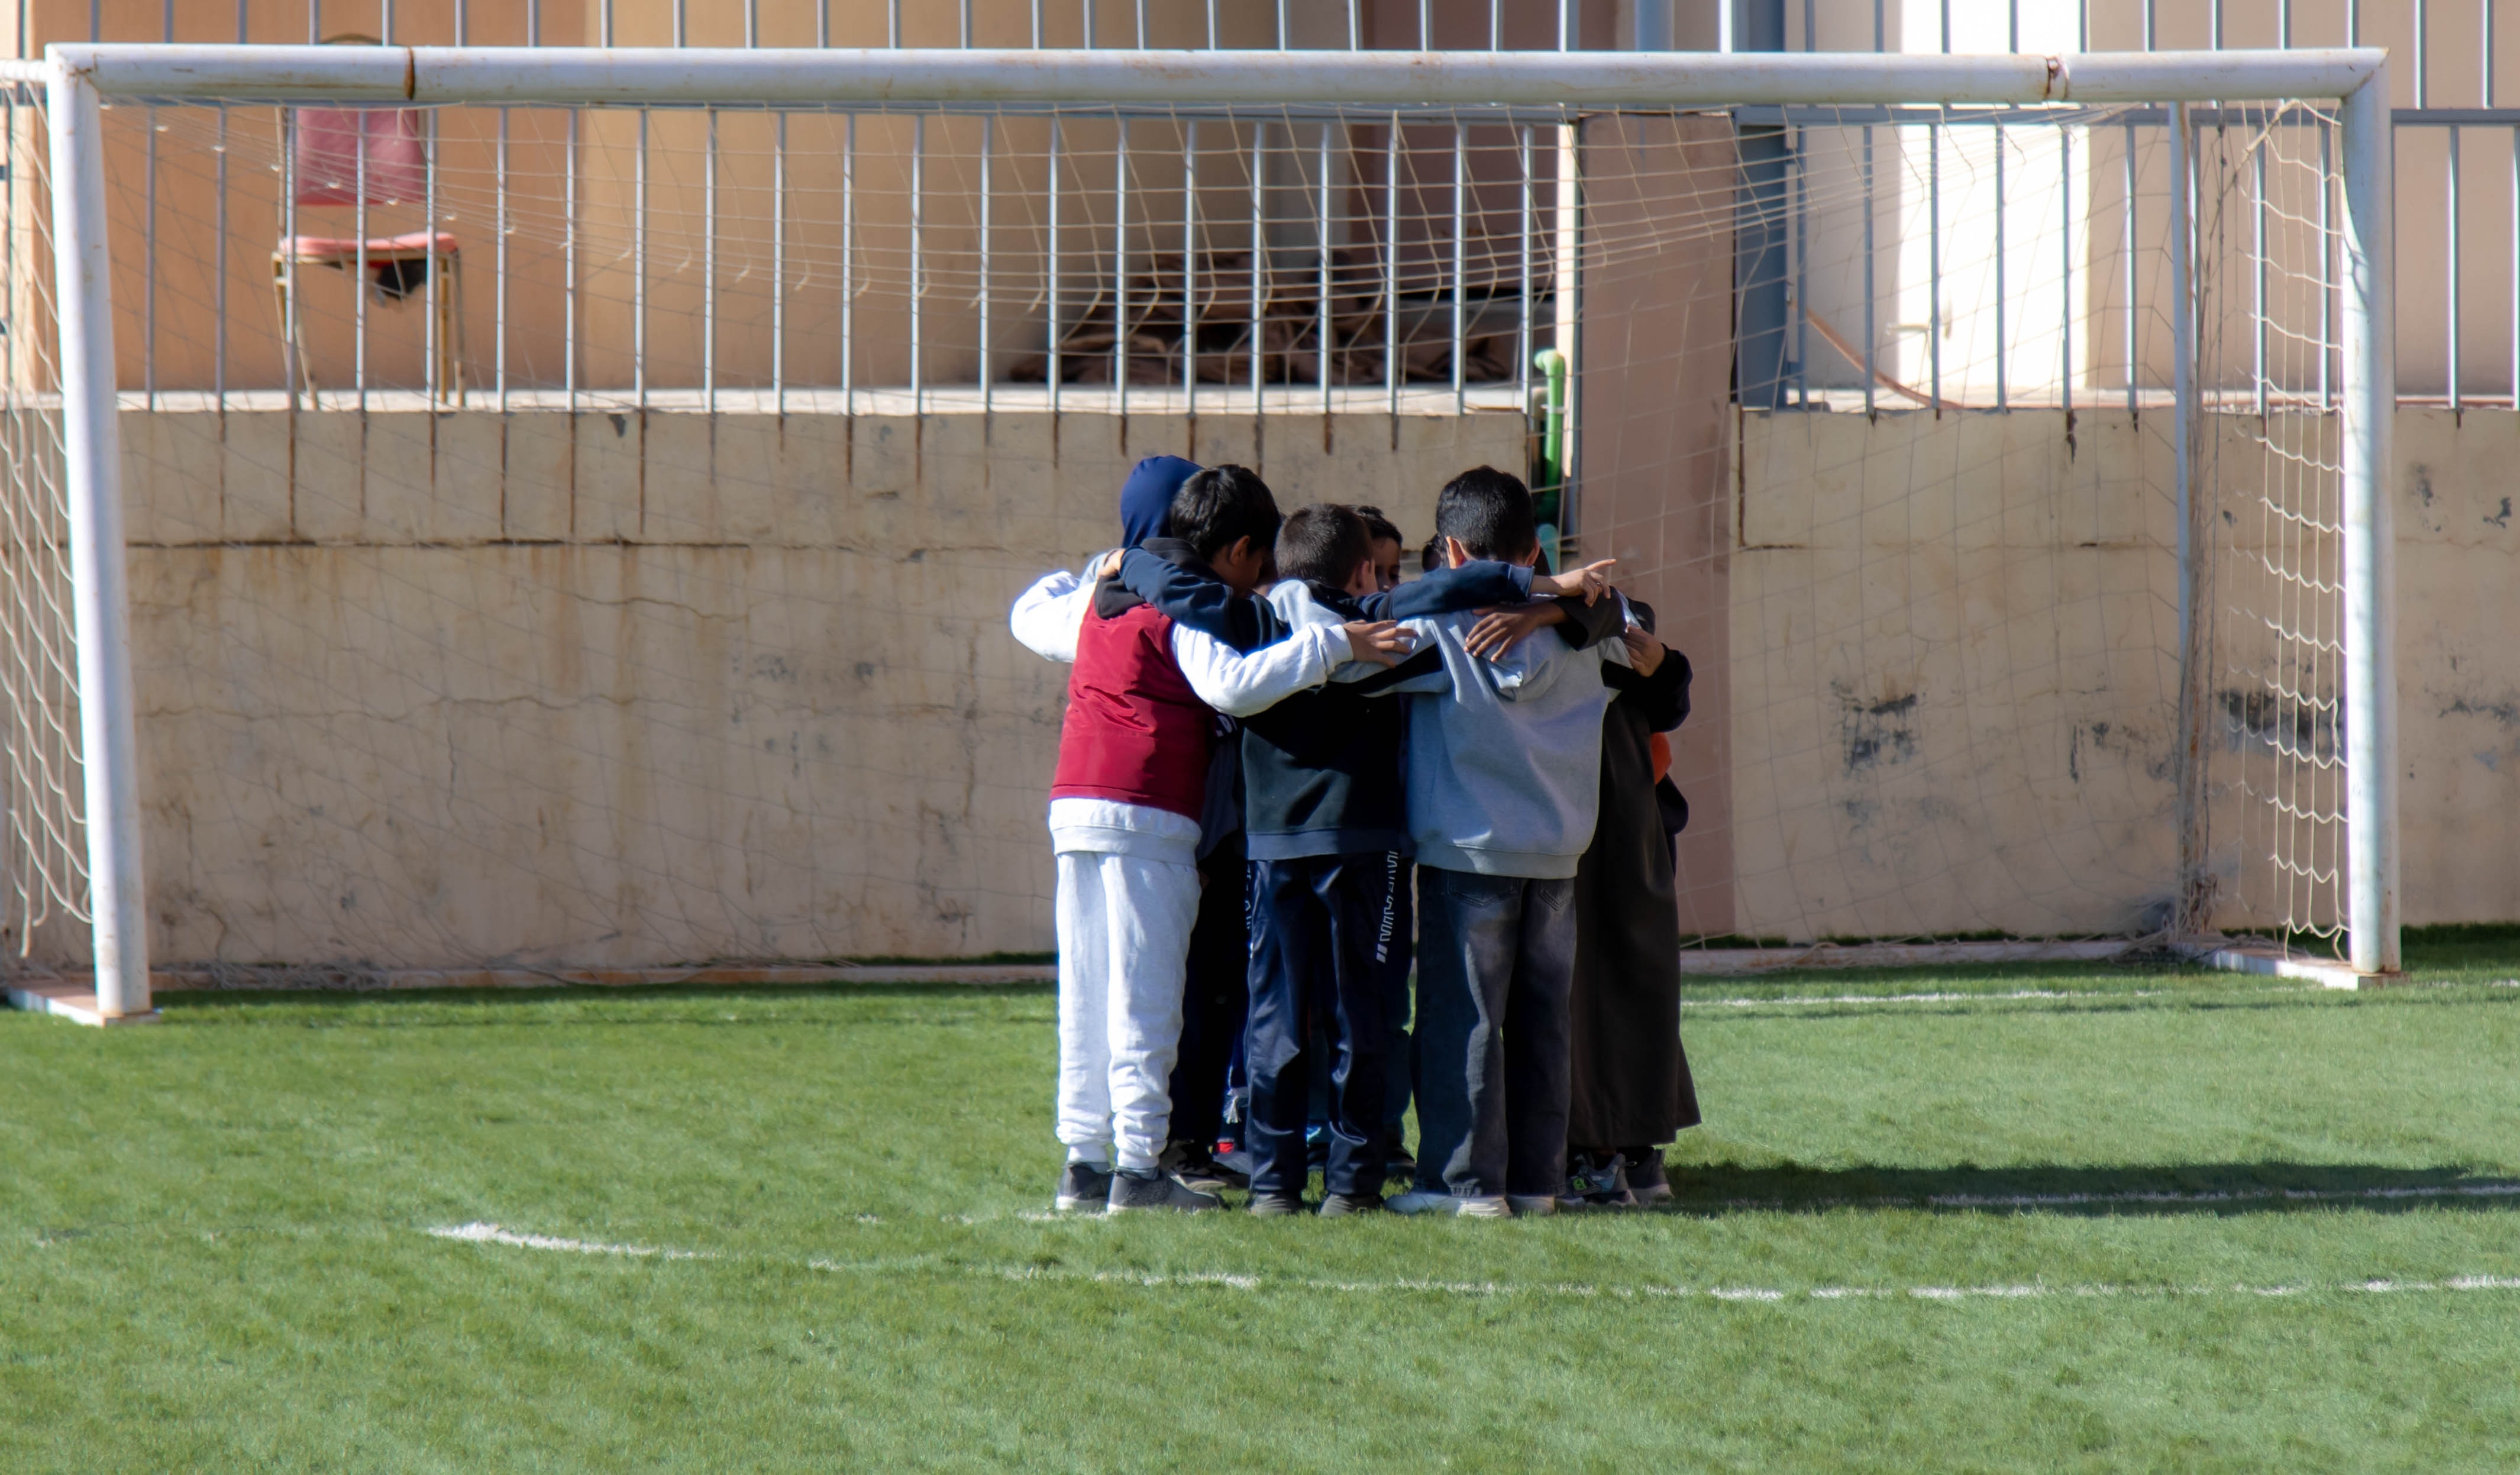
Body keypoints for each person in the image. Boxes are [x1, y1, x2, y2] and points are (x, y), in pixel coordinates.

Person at [1118, 504, 1610, 1214]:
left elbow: (1188, 599)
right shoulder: (1373, 623)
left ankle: (1274, 1186)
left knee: (1276, 1018)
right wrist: (1544, 590)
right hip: (1366, 846)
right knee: (1363, 1016)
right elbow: (1439, 593)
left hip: (1274, 849)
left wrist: (1129, 562)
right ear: (1359, 572)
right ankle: (1353, 1184)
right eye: (1378, 569)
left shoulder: (1250, 621)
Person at [1015, 465, 1406, 1214]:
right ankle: (1137, 1166)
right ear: (1238, 550)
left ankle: (1083, 1161)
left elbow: (1027, 611)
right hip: (1148, 805)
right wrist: (1337, 647)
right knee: (1147, 994)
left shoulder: (1100, 596)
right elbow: (1234, 685)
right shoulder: (1190, 607)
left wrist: (1100, 562)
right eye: (1256, 565)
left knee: (1089, 989)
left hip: (1075, 803)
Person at [1363, 467, 1634, 1219]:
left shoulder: (1440, 629)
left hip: (1465, 856)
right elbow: (1638, 633)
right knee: (1543, 1021)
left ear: (1451, 551)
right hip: (1556, 857)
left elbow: (1354, 646)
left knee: (1463, 1021)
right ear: (1538, 552)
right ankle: (1536, 1183)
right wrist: (1551, 607)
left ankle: (1462, 1186)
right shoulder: (1588, 631)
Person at [1559, 603, 1701, 1209]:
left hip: (1627, 831)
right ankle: (1596, 1145)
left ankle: (1628, 1146)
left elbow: (1669, 701)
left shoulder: (1612, 634)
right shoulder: (1532, 636)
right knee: (1577, 988)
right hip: (1564, 832)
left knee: (1633, 980)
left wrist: (1665, 663)